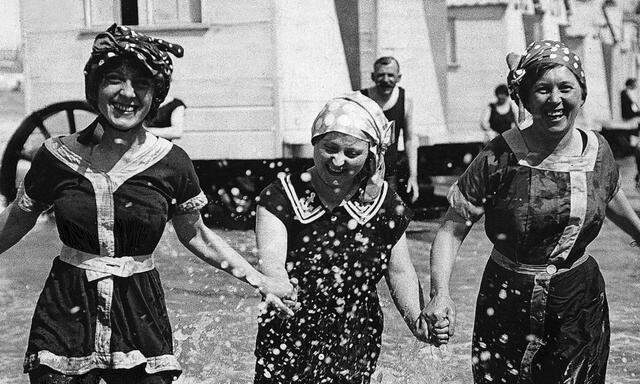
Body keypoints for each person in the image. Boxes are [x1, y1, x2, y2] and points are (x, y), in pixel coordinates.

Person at [0, 24, 295, 384]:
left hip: (139, 311)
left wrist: (259, 280)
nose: (127, 94)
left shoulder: (173, 163)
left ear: (156, 94)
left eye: (141, 83)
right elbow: (17, 219)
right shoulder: (56, 156)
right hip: (66, 311)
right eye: (114, 80)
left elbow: (197, 235)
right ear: (95, 87)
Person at [424, 40, 640, 383]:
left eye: (565, 88)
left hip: (578, 299)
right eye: (542, 89)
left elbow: (610, 196)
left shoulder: (599, 150)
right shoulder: (499, 156)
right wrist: (440, 294)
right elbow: (452, 229)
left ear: (581, 94)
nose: (555, 99)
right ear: (524, 98)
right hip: (508, 295)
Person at [253, 92, 429, 383]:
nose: (338, 160)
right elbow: (272, 262)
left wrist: (415, 320)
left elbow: (399, 270)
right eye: (330, 148)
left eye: (352, 153)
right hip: (289, 325)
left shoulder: (385, 203)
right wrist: (277, 285)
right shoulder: (282, 195)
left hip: (356, 331)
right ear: (314, 143)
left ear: (370, 155)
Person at [361, 56, 419, 203]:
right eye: (381, 75)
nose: (386, 79)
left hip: (390, 172)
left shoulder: (405, 100)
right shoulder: (362, 99)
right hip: (362, 171)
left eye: (391, 75)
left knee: (388, 216)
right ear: (373, 77)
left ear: (399, 77)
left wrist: (413, 176)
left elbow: (410, 139)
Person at [620, 78, 640, 188]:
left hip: (633, 118)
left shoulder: (631, 93)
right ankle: (632, 149)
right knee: (633, 136)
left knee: (634, 136)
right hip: (630, 118)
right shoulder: (625, 93)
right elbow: (628, 108)